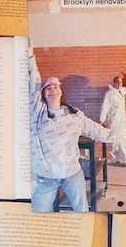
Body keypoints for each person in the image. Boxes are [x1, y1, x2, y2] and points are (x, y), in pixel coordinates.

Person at [30, 77, 111, 214]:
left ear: (61, 91)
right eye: (48, 88)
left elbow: (94, 129)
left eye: (56, 87)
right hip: (46, 176)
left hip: (71, 173)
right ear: (43, 94)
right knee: (40, 215)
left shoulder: (74, 114)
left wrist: (116, 136)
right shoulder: (36, 117)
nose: (53, 90)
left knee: (82, 211)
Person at [100, 69, 126, 166]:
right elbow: (104, 107)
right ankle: (123, 160)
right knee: (116, 139)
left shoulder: (121, 91)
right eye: (117, 82)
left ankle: (118, 160)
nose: (119, 83)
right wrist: (102, 120)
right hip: (113, 121)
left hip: (122, 120)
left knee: (120, 138)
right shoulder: (109, 94)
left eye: (120, 82)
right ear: (113, 83)